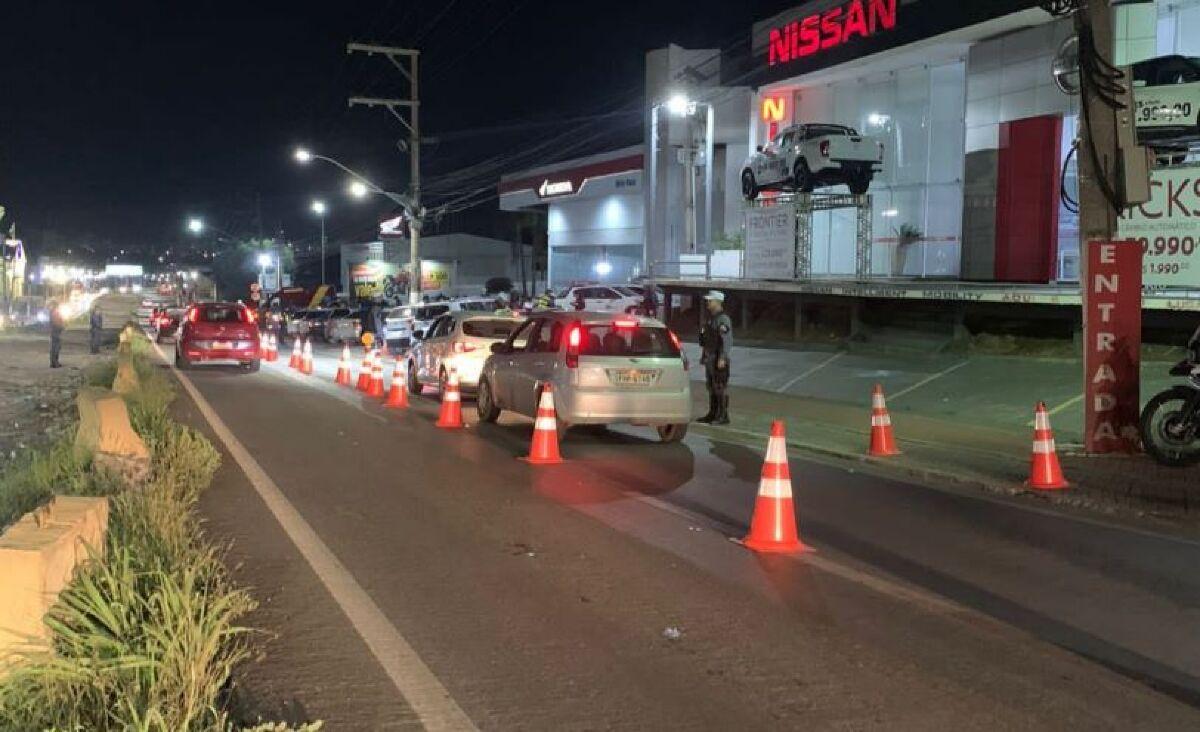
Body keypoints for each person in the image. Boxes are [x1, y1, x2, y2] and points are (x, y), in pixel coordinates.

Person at [697, 290, 732, 425]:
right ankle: (713, 414)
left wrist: (722, 358)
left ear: (717, 302)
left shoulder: (723, 319)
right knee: (711, 387)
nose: (708, 303)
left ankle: (723, 416)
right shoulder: (712, 318)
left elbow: (726, 340)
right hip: (710, 357)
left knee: (719, 387)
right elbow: (707, 339)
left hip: (718, 358)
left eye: (710, 301)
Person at [48, 301, 65, 368]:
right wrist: (61, 326)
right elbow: (56, 322)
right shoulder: (55, 313)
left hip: (54, 331)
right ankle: (55, 362)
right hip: (56, 332)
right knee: (56, 347)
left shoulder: (53, 312)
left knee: (54, 347)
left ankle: (54, 362)